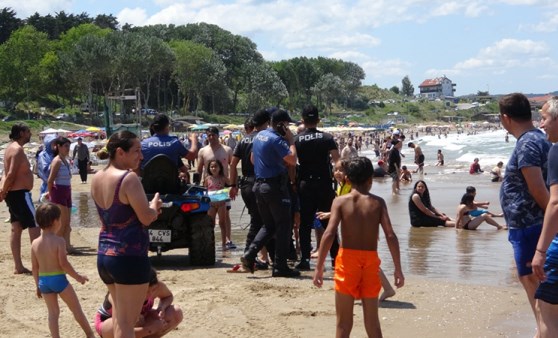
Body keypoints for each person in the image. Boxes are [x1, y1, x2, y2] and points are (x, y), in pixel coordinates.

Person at [313, 157, 404, 337]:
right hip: (370, 262)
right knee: (372, 323)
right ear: (370, 179)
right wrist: (398, 269)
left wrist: (319, 268)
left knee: (343, 324)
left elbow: (329, 234)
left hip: (347, 261)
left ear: (347, 178)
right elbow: (390, 236)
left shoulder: (340, 202)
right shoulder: (378, 203)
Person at [92, 131, 162, 338]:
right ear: (120, 153)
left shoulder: (97, 177)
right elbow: (146, 218)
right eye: (137, 151)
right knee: (125, 323)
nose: (141, 156)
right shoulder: (129, 178)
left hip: (105, 255)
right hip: (129, 257)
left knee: (120, 320)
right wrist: (154, 207)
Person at [499, 93, 551, 331]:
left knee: (536, 290)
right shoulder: (537, 139)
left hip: (530, 227)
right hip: (531, 227)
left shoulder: (528, 143)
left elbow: (539, 190)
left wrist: (554, 223)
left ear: (505, 118)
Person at [317, 159, 397, 302]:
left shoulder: (350, 187)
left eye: (341, 170)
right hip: (355, 230)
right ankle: (385, 288)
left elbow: (356, 205)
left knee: (362, 260)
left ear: (350, 175)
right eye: (335, 170)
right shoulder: (341, 187)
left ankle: (380, 288)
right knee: (367, 261)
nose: (338, 173)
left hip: (360, 230)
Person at [241, 109, 300, 277]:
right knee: (283, 226)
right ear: (280, 124)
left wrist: (270, 160)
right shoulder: (276, 139)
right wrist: (291, 141)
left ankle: (249, 254)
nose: (288, 128)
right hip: (274, 187)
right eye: (287, 125)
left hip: (259, 186)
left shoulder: (259, 135)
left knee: (268, 225)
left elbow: (253, 159)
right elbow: (293, 160)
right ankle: (280, 266)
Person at [31, 202, 94, 338]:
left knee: (53, 313)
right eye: (60, 219)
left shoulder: (35, 243)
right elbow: (64, 264)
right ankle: (89, 334)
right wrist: (78, 277)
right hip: (58, 279)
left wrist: (37, 285)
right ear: (55, 221)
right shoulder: (59, 241)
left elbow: (34, 267)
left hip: (44, 281)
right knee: (76, 309)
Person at [294, 104, 340, 271]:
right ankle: (335, 258)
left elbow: (292, 164)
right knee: (330, 221)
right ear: (318, 120)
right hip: (324, 184)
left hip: (305, 184)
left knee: (305, 224)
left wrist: (293, 183)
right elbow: (337, 162)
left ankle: (305, 259)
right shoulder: (327, 138)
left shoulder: (297, 139)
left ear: (303, 120)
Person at [229, 112, 270, 271]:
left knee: (258, 220)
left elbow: (233, 164)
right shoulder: (263, 138)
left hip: (245, 183)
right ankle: (252, 255)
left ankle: (259, 256)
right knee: (262, 222)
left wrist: (233, 185)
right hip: (260, 181)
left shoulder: (243, 140)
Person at [532, 97, 558, 337]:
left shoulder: (556, 151)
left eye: (545, 118)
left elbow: (556, 203)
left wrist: (540, 251)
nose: (541, 124)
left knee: (546, 310)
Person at [94, 267, 183, 338]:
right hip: (110, 324)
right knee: (137, 319)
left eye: (154, 290)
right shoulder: (122, 293)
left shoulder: (156, 285)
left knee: (175, 312)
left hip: (140, 320)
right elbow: (121, 327)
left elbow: (168, 296)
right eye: (147, 291)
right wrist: (150, 329)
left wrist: (161, 308)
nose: (151, 294)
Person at [0, 123, 41, 274]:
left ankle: (18, 266)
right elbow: (10, 174)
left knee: (16, 228)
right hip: (20, 194)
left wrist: (4, 191)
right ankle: (39, 265)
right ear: (22, 133)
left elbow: (6, 173)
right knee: (35, 224)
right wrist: (3, 191)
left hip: (13, 194)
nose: (30, 134)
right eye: (29, 131)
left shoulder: (10, 148)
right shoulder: (17, 149)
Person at [197, 126, 235, 249]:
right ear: (206, 136)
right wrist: (198, 189)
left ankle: (228, 240)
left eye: (213, 135)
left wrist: (234, 186)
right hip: (209, 188)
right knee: (209, 218)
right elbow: (198, 170)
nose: (211, 137)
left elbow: (233, 168)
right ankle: (210, 242)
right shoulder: (203, 151)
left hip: (223, 187)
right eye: (209, 135)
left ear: (218, 136)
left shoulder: (227, 150)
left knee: (226, 215)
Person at [46, 136, 73, 253]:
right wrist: (51, 195)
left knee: (67, 223)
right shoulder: (57, 161)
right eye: (66, 146)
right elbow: (50, 180)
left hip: (67, 191)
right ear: (59, 147)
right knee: (62, 223)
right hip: (59, 192)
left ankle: (67, 246)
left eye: (69, 146)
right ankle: (56, 247)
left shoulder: (65, 160)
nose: (68, 149)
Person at [204, 160, 230, 251]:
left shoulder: (223, 178)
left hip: (222, 204)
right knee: (211, 224)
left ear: (220, 168)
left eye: (216, 167)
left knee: (222, 223)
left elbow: (231, 184)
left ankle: (224, 244)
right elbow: (204, 190)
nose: (214, 168)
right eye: (212, 167)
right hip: (211, 204)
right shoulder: (207, 179)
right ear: (209, 168)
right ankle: (211, 243)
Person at [37, 134, 56, 198]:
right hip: (47, 185)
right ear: (48, 143)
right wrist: (56, 165)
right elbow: (45, 170)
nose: (55, 144)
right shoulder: (43, 155)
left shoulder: (55, 154)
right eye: (53, 142)